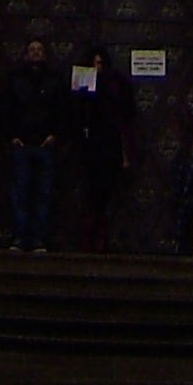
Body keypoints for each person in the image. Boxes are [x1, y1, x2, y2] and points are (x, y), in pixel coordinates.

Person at [67, 43, 140, 252]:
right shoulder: (83, 83)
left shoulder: (116, 83)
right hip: (90, 146)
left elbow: (127, 111)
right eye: (93, 63)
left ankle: (105, 237)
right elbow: (76, 111)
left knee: (107, 194)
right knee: (91, 194)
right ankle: (90, 236)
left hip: (110, 145)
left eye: (99, 63)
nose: (97, 67)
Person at [0, 33, 64, 252]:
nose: (36, 53)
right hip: (22, 144)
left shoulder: (53, 80)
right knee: (21, 192)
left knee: (43, 194)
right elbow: (4, 108)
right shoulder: (15, 80)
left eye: (40, 50)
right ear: (25, 55)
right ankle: (19, 236)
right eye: (32, 50)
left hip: (45, 144)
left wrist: (54, 134)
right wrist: (12, 135)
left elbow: (62, 110)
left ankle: (38, 238)